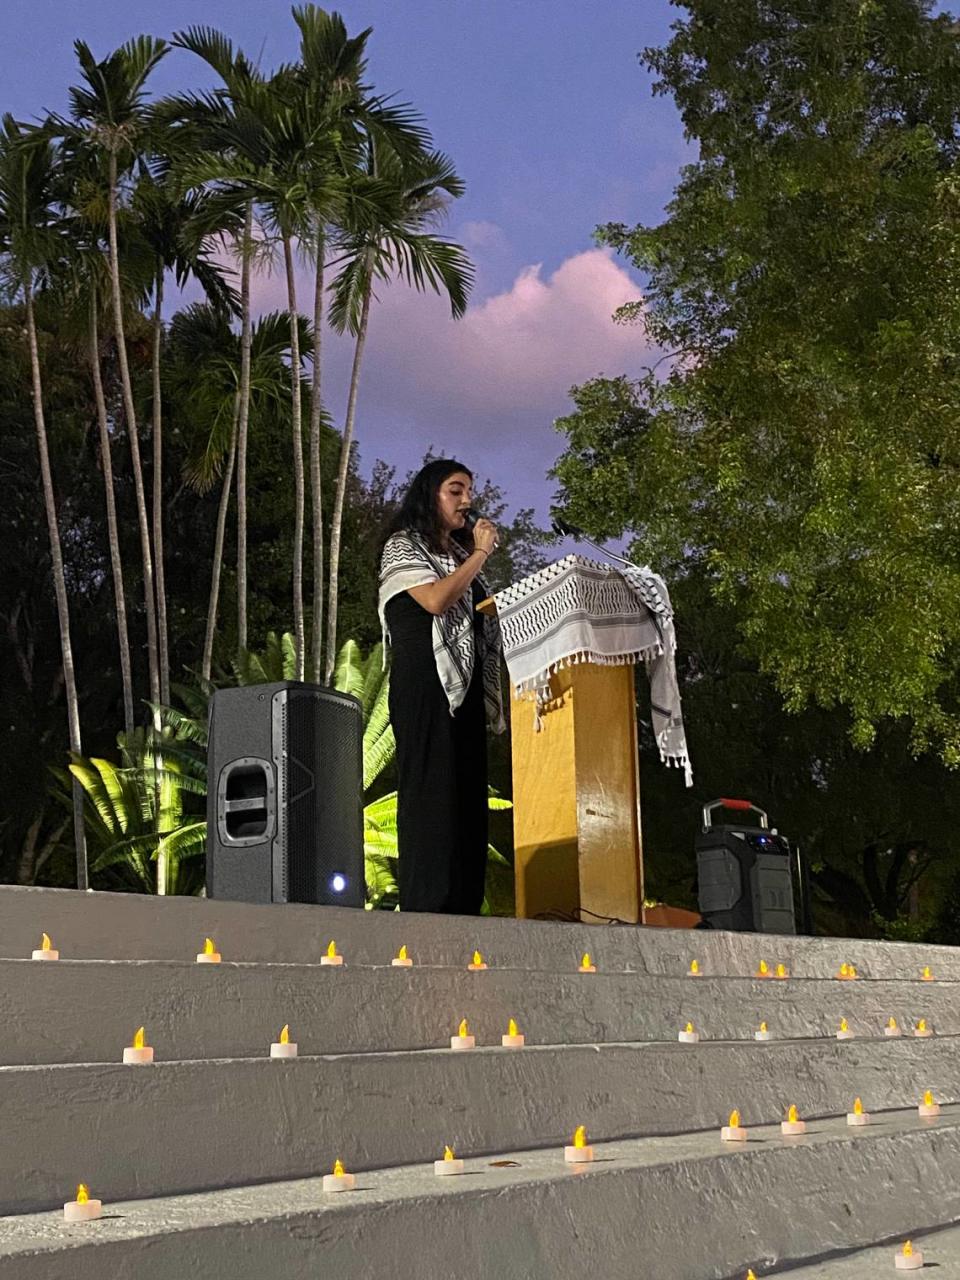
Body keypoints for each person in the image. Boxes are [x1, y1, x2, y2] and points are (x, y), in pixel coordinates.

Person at [377, 460, 505, 914]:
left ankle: (464, 908)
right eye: (456, 490)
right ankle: (427, 908)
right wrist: (480, 555)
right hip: (426, 684)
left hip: (464, 688)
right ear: (430, 494)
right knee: (433, 795)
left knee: (468, 798)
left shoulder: (457, 556)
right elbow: (434, 599)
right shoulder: (402, 547)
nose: (467, 501)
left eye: (469, 490)